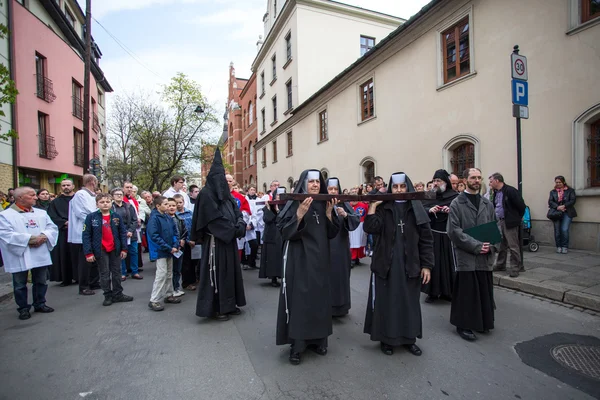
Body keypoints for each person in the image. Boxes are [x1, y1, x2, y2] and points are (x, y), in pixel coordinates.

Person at [363, 173, 433, 357]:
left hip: (411, 264)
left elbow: (426, 239)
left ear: (407, 188)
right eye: (396, 187)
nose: (400, 190)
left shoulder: (416, 209)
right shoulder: (384, 207)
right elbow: (371, 228)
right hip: (387, 264)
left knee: (409, 303)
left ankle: (409, 339)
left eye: (403, 187)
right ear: (391, 188)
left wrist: (427, 265)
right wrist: (372, 208)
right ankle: (387, 339)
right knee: (387, 303)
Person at [276, 169, 340, 365]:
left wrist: (330, 215)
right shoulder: (295, 202)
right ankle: (298, 344)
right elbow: (285, 232)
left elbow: (332, 233)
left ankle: (319, 340)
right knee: (301, 301)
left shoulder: (324, 203)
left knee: (319, 301)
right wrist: (299, 215)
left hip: (321, 260)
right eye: (311, 181)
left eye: (317, 182)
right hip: (300, 260)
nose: (315, 185)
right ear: (304, 184)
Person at [191, 148, 247, 321]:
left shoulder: (227, 195)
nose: (222, 181)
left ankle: (230, 304)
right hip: (216, 242)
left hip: (228, 242)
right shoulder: (207, 195)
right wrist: (234, 230)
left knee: (231, 273)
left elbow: (238, 213)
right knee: (218, 274)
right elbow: (214, 221)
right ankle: (218, 308)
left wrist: (240, 225)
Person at [447, 168, 498, 341]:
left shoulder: (487, 204)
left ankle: (482, 322)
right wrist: (476, 246)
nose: (476, 180)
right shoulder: (457, 203)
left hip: (485, 256)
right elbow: (453, 231)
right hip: (466, 255)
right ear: (465, 179)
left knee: (483, 289)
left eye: (479, 177)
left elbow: (495, 227)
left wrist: (491, 246)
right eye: (473, 177)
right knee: (467, 292)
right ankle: (464, 324)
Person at [0, 187, 58, 320]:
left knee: (41, 280)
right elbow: (6, 234)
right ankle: (23, 308)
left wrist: (44, 236)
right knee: (20, 283)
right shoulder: (6, 215)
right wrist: (31, 239)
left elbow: (52, 227)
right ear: (20, 197)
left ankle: (40, 303)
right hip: (20, 252)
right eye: (31, 195)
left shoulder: (41, 213)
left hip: (39, 251)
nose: (35, 197)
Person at [82, 193, 133, 306]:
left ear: (111, 203)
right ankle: (107, 295)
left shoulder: (116, 216)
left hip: (115, 248)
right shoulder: (91, 217)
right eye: (102, 202)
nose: (105, 204)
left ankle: (118, 294)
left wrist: (124, 249)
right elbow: (86, 235)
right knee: (104, 273)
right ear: (97, 204)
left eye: (107, 202)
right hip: (100, 249)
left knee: (117, 272)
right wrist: (88, 252)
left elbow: (122, 233)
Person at [422, 169, 459, 303]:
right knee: (433, 263)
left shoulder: (454, 196)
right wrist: (429, 210)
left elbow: (460, 212)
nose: (436, 183)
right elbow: (421, 209)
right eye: (434, 181)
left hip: (448, 235)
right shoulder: (429, 195)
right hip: (432, 234)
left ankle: (448, 291)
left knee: (448, 263)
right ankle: (432, 292)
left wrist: (450, 211)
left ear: (445, 182)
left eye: (439, 181)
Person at [327, 177, 360, 317]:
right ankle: (327, 307)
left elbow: (355, 220)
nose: (333, 192)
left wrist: (346, 215)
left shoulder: (344, 203)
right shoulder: (321, 203)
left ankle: (341, 306)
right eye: (330, 189)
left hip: (341, 246)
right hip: (327, 247)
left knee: (341, 276)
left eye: (336, 189)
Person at [147, 196, 181, 311]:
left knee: (169, 273)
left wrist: (175, 244)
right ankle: (154, 299)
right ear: (158, 206)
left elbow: (175, 231)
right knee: (161, 274)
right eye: (165, 204)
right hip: (161, 251)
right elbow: (154, 236)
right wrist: (168, 247)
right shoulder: (154, 218)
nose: (168, 206)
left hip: (169, 249)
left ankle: (168, 294)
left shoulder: (167, 217)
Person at [489, 172, 526, 277]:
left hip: (509, 221)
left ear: (497, 181)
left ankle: (515, 267)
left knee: (513, 245)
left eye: (491, 181)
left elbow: (521, 206)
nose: (490, 183)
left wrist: (516, 218)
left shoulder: (510, 191)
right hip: (499, 221)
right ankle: (500, 264)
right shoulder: (496, 192)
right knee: (501, 245)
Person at [68, 174, 100, 295]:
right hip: (84, 230)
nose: (96, 184)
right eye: (96, 182)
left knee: (95, 258)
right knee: (85, 260)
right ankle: (84, 286)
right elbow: (81, 212)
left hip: (94, 230)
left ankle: (94, 282)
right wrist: (96, 221)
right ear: (92, 182)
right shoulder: (80, 195)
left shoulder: (92, 195)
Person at [47, 179, 76, 286]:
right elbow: (51, 216)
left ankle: (78, 276)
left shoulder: (78, 199)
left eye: (68, 185)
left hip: (77, 231)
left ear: (73, 186)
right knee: (64, 255)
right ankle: (66, 278)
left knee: (77, 254)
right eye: (63, 185)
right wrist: (64, 222)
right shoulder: (55, 202)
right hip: (63, 231)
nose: (66, 187)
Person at [111, 188, 142, 281]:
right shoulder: (111, 208)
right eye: (116, 194)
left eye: (120, 194)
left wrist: (130, 231)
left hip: (131, 233)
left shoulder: (129, 206)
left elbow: (134, 220)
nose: (119, 196)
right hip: (118, 234)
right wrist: (123, 232)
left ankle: (135, 272)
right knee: (121, 253)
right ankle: (122, 273)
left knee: (134, 252)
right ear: (113, 196)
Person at [259, 187, 285, 287]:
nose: (279, 197)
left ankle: (282, 276)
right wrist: (270, 209)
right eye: (277, 195)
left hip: (281, 235)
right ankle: (273, 277)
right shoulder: (269, 206)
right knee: (272, 257)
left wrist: (279, 211)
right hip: (271, 235)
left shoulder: (286, 206)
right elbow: (267, 219)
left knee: (280, 256)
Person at [174, 193, 197, 291]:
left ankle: (193, 279)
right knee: (185, 264)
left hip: (192, 241)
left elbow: (193, 226)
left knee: (193, 262)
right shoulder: (175, 215)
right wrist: (187, 240)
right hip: (183, 242)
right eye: (177, 203)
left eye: (180, 202)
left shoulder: (189, 213)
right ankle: (186, 282)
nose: (179, 204)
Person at [548, 175, 577, 254]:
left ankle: (564, 246)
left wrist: (564, 206)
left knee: (564, 229)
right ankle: (558, 246)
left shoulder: (570, 191)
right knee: (557, 231)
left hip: (567, 212)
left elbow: (573, 200)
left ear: (563, 182)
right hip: (556, 213)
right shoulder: (553, 192)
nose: (558, 184)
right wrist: (557, 207)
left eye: (559, 182)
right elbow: (550, 201)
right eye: (556, 182)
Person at [167, 197, 187, 297]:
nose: (171, 207)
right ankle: (169, 289)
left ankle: (176, 287)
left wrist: (182, 240)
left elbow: (184, 231)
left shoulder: (180, 219)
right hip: (170, 249)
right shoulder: (165, 219)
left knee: (177, 270)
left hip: (179, 248)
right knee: (169, 271)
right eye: (169, 205)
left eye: (173, 206)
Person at [349, 188, 368, 264]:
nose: (354, 201)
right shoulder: (347, 205)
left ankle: (357, 257)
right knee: (352, 243)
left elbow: (367, 215)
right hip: (351, 225)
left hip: (361, 226)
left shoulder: (363, 205)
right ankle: (352, 258)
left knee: (360, 242)